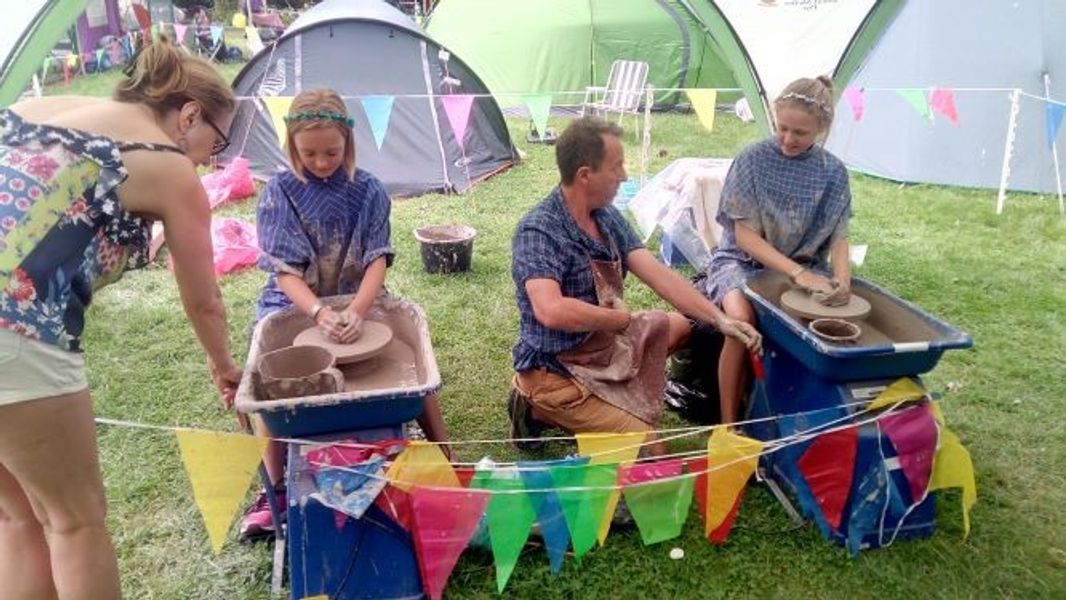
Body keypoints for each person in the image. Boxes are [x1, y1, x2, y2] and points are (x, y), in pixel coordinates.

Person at [0, 40, 240, 599]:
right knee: (75, 521)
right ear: (188, 115)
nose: (210, 160)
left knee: (18, 519)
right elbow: (204, 301)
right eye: (216, 142)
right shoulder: (167, 163)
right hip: (17, 327)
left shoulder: (50, 110)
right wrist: (225, 366)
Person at [240, 88, 451, 541]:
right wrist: (318, 311)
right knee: (271, 373)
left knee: (415, 353)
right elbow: (283, 272)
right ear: (291, 144)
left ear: (348, 143)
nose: (321, 162)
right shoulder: (279, 193)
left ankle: (449, 457)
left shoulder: (369, 189)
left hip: (361, 293)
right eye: (309, 152)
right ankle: (273, 488)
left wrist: (356, 308)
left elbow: (377, 257)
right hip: (297, 300)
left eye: (331, 151)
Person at [507, 116, 762, 453]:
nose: (625, 175)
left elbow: (659, 274)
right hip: (558, 367)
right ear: (585, 175)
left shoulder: (605, 215)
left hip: (605, 345)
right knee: (651, 453)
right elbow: (550, 311)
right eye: (617, 167)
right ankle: (537, 407)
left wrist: (721, 320)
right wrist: (618, 320)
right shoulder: (539, 231)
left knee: (683, 327)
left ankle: (608, 397)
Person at [702, 76, 853, 424]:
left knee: (833, 321)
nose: (787, 139)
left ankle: (808, 414)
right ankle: (729, 426)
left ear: (822, 129)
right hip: (741, 262)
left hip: (805, 266)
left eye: (799, 133)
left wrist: (842, 280)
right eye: (782, 128)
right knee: (740, 321)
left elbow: (840, 234)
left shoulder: (833, 172)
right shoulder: (753, 159)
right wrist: (798, 274)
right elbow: (744, 237)